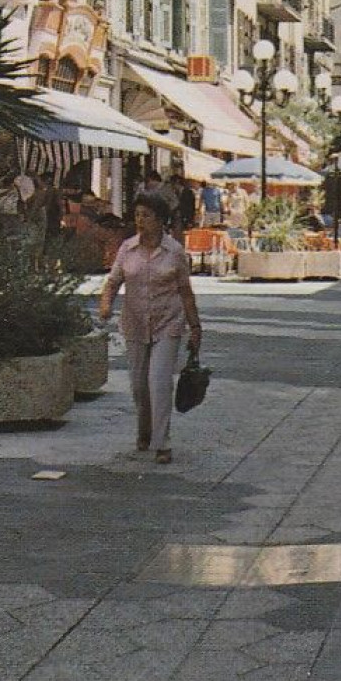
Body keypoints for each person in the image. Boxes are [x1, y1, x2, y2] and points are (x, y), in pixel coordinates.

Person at [97, 191, 202, 466]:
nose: (141, 221)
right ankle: (144, 432)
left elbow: (185, 292)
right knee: (139, 387)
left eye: (147, 216)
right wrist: (106, 306)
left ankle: (162, 443)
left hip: (168, 323)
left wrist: (195, 327)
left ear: (160, 220)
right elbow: (113, 282)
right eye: (137, 215)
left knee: (159, 382)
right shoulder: (127, 248)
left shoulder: (175, 252)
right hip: (134, 324)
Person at [170, 173, 197, 239]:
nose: (172, 186)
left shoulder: (188, 192)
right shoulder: (173, 193)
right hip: (175, 219)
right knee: (176, 237)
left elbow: (191, 207)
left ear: (177, 182)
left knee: (184, 238)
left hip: (185, 218)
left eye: (173, 184)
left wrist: (190, 220)